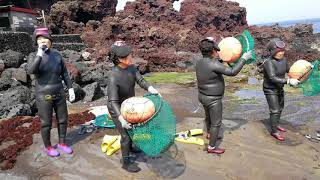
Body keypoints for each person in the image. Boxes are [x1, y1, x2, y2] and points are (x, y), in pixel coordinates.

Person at [107, 40, 160, 172]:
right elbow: (113, 101)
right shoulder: (113, 76)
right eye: (128, 56)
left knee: (133, 130)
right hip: (117, 108)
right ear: (119, 59)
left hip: (130, 105)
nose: (131, 57)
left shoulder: (131, 68)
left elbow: (141, 80)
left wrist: (151, 88)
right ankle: (126, 162)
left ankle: (131, 148)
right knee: (125, 135)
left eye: (130, 54)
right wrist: (121, 118)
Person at [196, 37, 252, 154]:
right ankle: (211, 147)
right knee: (216, 123)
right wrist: (243, 59)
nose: (218, 53)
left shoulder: (200, 62)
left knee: (208, 118)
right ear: (212, 52)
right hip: (213, 99)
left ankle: (211, 134)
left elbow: (215, 63)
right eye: (216, 51)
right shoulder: (214, 64)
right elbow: (232, 72)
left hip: (202, 96)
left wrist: (208, 41)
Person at [27, 28, 75, 157]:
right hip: (43, 94)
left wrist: (70, 88)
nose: (43, 41)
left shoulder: (57, 55)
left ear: (50, 41)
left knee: (63, 119)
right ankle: (48, 147)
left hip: (59, 92)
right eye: (39, 39)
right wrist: (39, 55)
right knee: (46, 122)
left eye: (45, 39)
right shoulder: (33, 56)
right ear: (36, 42)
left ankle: (62, 143)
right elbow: (31, 70)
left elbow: (64, 73)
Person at [262, 38, 300, 141]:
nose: (281, 53)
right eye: (278, 51)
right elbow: (272, 78)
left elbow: (290, 71)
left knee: (280, 107)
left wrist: (301, 71)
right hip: (270, 89)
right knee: (274, 110)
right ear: (272, 51)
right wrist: (288, 81)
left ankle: (276, 124)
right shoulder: (268, 62)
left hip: (279, 88)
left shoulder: (284, 60)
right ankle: (274, 131)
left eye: (282, 51)